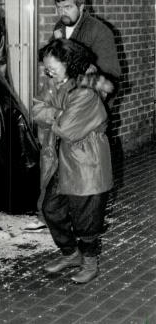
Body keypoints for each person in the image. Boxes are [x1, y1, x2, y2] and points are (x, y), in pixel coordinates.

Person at [24, 0, 120, 232]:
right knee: (51, 162)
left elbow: (110, 78)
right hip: (60, 107)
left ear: (81, 6)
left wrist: (87, 111)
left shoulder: (99, 31)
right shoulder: (59, 28)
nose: (62, 12)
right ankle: (49, 215)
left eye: (67, 6)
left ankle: (81, 224)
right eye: (58, 7)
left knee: (82, 171)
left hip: (84, 113)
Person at [32, 39, 113, 283]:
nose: (48, 74)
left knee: (86, 219)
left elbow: (67, 130)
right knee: (51, 209)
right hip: (63, 159)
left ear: (69, 64)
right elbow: (36, 109)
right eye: (46, 69)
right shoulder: (59, 83)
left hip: (86, 162)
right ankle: (71, 253)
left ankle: (90, 262)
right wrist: (58, 114)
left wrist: (54, 115)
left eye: (52, 69)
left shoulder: (86, 92)